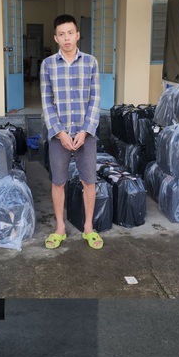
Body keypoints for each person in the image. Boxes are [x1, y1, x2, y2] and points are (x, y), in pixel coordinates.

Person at [40, 14, 102, 250]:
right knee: (58, 182)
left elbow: (95, 99)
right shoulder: (47, 64)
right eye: (62, 34)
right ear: (56, 38)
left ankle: (88, 227)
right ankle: (60, 228)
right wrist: (59, 132)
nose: (67, 38)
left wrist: (85, 131)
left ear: (77, 35)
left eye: (70, 33)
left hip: (85, 133)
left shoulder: (91, 62)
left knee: (89, 181)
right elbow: (46, 102)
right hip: (60, 135)